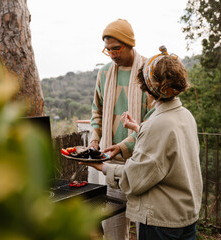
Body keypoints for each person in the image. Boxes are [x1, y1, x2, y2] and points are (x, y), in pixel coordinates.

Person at [83, 46, 203, 240]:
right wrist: (139, 129)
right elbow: (167, 148)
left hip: (161, 221)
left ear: (150, 87)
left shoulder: (157, 124)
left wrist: (101, 166)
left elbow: (135, 178)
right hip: (186, 216)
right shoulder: (185, 115)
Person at [89, 19, 154, 240]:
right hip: (110, 165)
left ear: (129, 44)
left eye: (116, 48)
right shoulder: (104, 73)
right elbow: (96, 112)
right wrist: (94, 140)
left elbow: (153, 122)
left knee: (145, 229)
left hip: (141, 164)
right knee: (113, 231)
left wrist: (125, 146)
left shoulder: (148, 70)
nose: (112, 54)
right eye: (108, 50)